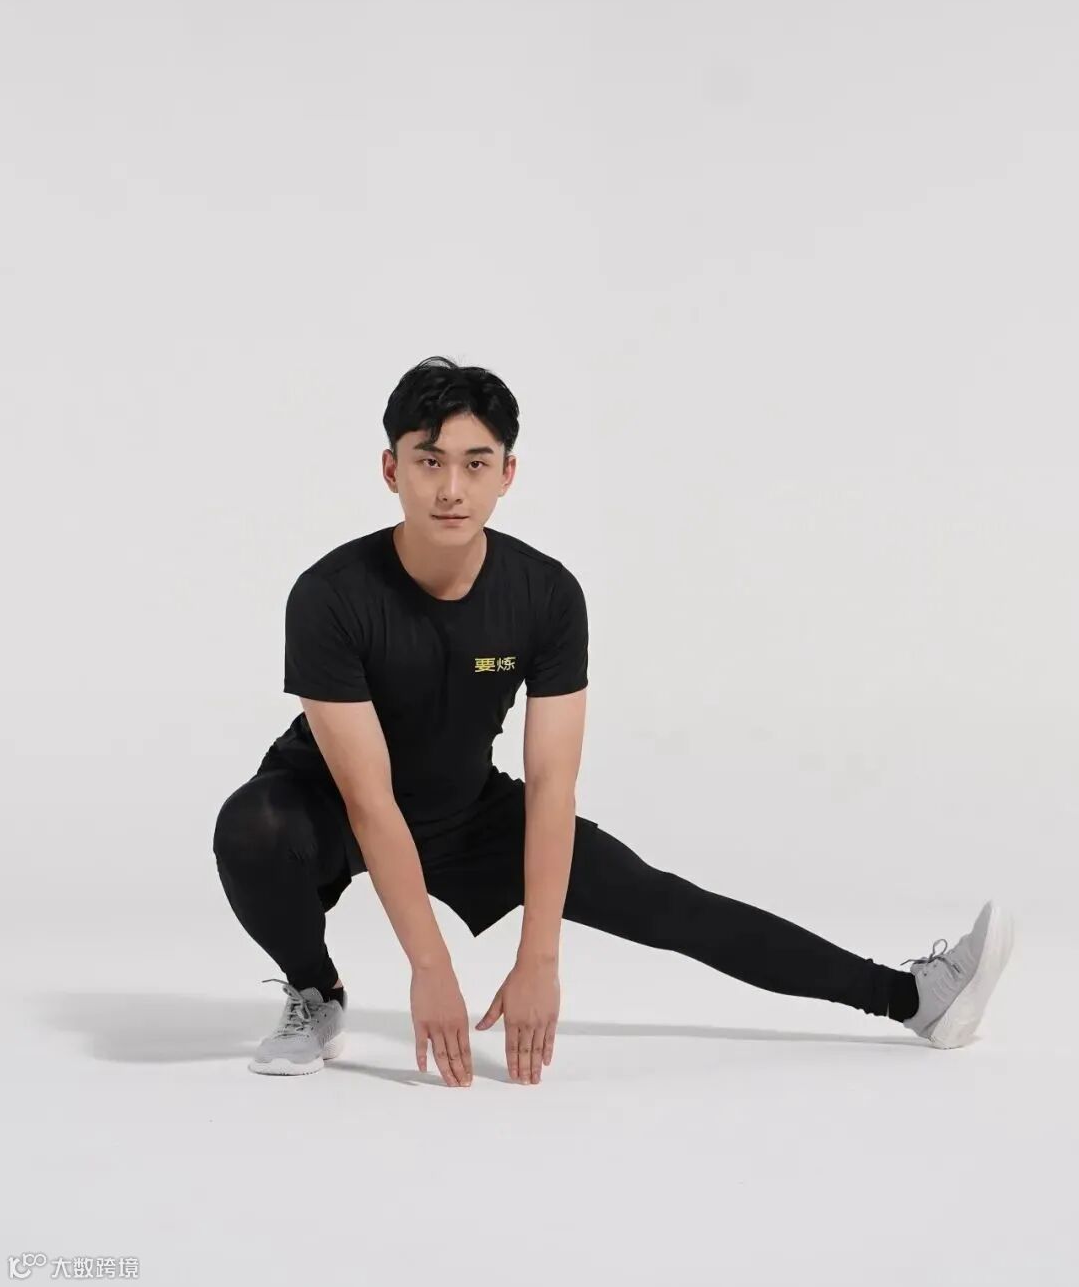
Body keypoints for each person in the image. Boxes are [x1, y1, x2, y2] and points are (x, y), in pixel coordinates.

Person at [212, 354, 1015, 1085]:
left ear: (507, 474)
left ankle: (914, 998)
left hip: (466, 809)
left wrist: (540, 957)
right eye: (428, 461)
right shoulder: (331, 596)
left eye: (475, 463)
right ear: (391, 469)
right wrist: (431, 968)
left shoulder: (546, 596)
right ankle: (316, 993)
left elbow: (552, 782)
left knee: (663, 902)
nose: (450, 488)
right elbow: (369, 801)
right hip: (331, 804)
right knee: (252, 829)